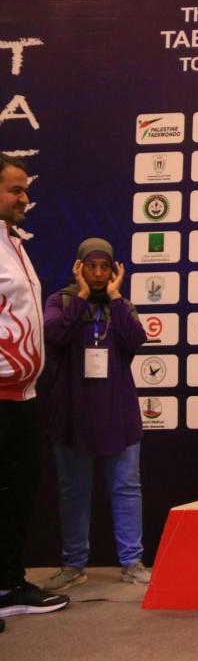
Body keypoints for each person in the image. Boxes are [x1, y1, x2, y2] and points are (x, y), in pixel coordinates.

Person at [37, 238, 150, 591]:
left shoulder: (122, 305)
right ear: (79, 267)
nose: (99, 274)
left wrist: (115, 299)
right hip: (72, 413)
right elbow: (54, 335)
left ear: (114, 270)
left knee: (127, 488)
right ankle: (74, 564)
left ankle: (132, 562)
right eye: (92, 266)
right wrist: (82, 297)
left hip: (119, 412)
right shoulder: (60, 301)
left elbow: (135, 340)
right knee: (74, 491)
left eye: (105, 267)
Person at [0, 153, 70, 624]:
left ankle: (7, 584)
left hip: (22, 398)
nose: (25, 198)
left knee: (16, 495)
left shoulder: (13, 243)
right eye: (15, 189)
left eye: (26, 189)